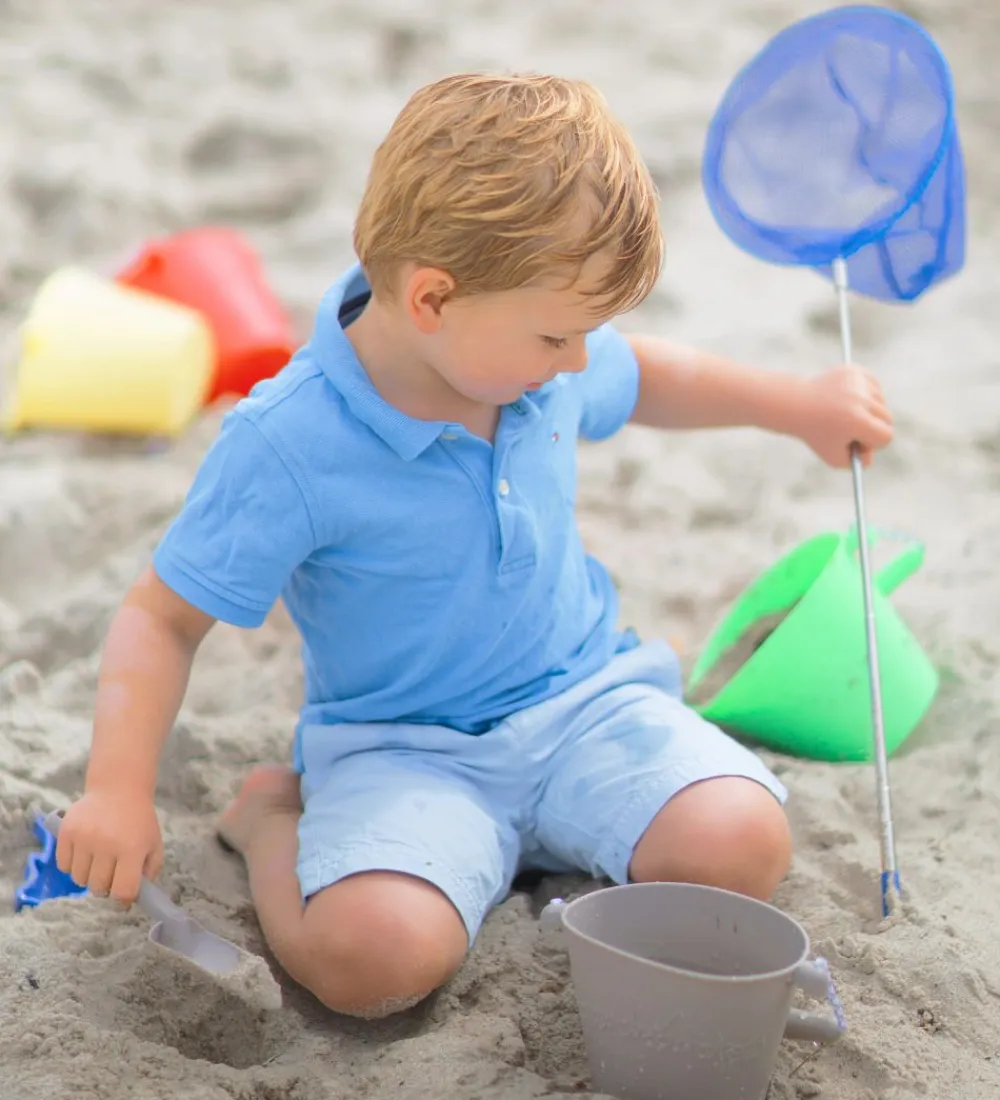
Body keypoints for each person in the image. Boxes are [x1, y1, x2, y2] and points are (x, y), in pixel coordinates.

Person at [56, 72, 893, 1019]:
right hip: (404, 750)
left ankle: (550, 843)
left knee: (741, 842)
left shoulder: (528, 360)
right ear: (432, 299)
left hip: (585, 701)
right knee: (371, 962)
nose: (579, 360)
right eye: (558, 337)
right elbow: (162, 618)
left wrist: (796, 406)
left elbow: (647, 377)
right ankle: (270, 821)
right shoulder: (288, 442)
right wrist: (115, 791)